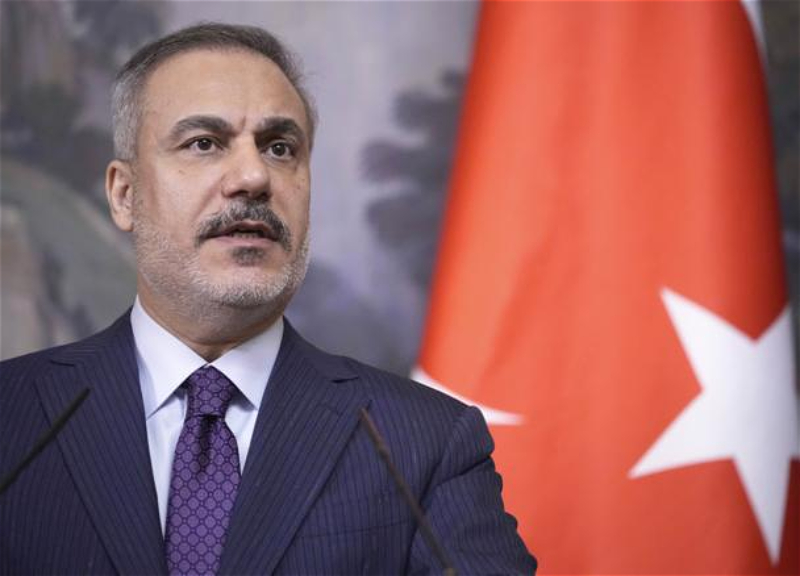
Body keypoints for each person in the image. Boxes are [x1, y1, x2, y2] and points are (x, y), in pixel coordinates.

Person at [0, 23, 536, 576]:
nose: (254, 176)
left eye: (280, 148)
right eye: (204, 143)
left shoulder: (423, 443)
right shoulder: (11, 418)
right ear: (124, 194)